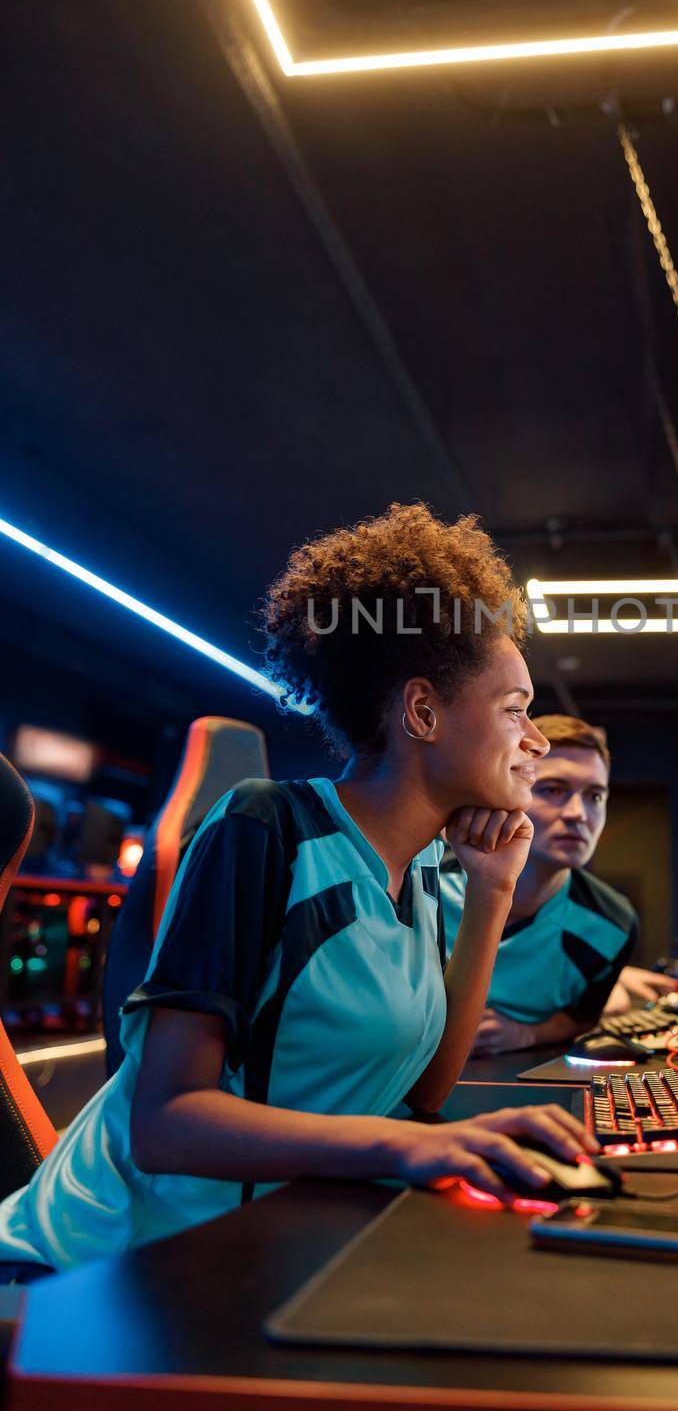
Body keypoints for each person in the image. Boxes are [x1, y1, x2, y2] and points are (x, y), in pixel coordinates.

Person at [0, 504, 596, 1272]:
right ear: (422, 712)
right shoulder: (265, 830)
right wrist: (408, 1146)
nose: (537, 742)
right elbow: (165, 1122)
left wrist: (490, 893)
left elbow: (424, 1087)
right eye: (516, 712)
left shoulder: (426, 869)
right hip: (99, 1267)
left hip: (251, 1245)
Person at [441, 714, 645, 1055]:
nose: (579, 813)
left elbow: (581, 1017)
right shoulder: (421, 882)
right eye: (553, 790)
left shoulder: (614, 925)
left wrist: (527, 1033)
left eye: (595, 796)